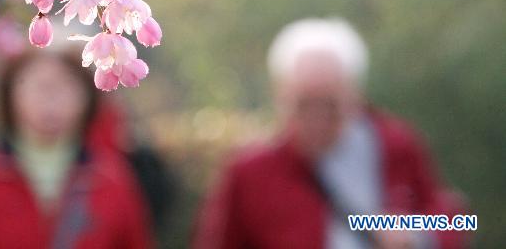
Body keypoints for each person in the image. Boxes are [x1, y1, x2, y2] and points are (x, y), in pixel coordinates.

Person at [194, 18, 466, 249]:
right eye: (304, 105)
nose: (316, 119)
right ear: (281, 96)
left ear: (354, 94)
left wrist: (413, 234)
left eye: (329, 105)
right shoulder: (251, 172)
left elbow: (451, 220)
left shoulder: (396, 144)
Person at [0, 49, 154, 249]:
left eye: (65, 86)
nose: (51, 99)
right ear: (10, 95)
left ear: (87, 98)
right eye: (39, 86)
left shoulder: (111, 178)